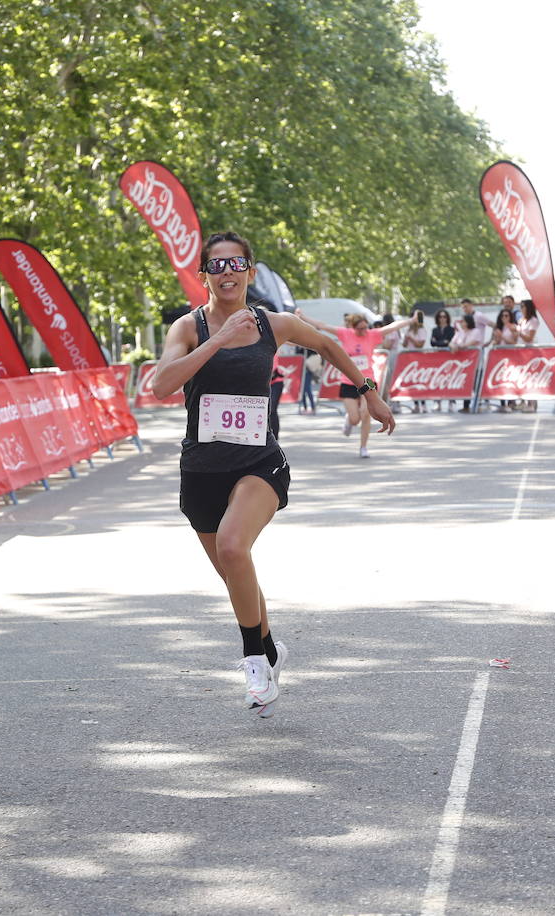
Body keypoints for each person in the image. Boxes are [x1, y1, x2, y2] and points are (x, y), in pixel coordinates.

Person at [153, 231, 395, 717]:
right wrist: (217, 340)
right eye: (216, 265)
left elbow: (326, 345)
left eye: (236, 263)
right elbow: (160, 385)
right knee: (234, 571)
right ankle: (268, 648)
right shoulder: (188, 328)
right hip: (201, 469)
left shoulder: (272, 323)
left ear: (249, 270)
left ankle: (253, 663)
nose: (227, 272)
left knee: (232, 547)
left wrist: (368, 392)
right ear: (205, 274)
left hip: (257, 463)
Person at [296, 308, 417, 457]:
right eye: (360, 329)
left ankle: (363, 447)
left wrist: (411, 321)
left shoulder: (372, 335)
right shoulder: (345, 334)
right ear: (353, 328)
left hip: (367, 381)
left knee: (365, 414)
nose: (364, 331)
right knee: (355, 418)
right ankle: (349, 421)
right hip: (348, 381)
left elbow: (392, 327)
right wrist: (303, 317)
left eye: (366, 327)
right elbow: (322, 326)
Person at [450, 314, 486, 412]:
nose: (461, 323)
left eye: (463, 321)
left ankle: (478, 404)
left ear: (468, 322)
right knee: (466, 383)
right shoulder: (459, 333)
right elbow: (452, 342)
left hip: (476, 363)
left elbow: (472, 343)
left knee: (476, 384)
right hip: (464, 363)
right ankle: (466, 406)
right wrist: (453, 345)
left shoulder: (476, 331)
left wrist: (460, 346)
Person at [401, 311, 430, 412]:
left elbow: (420, 345)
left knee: (420, 381)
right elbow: (404, 344)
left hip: (418, 357)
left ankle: (424, 404)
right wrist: (406, 339)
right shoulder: (408, 330)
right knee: (412, 382)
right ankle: (416, 404)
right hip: (409, 358)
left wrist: (411, 339)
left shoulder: (422, 330)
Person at [429, 310, 455, 411]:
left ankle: (451, 401)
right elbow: (432, 342)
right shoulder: (435, 330)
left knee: (450, 379)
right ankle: (437, 401)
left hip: (449, 358)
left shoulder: (451, 329)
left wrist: (440, 342)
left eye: (444, 317)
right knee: (438, 379)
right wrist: (443, 342)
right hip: (438, 357)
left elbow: (450, 341)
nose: (442, 319)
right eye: (440, 317)